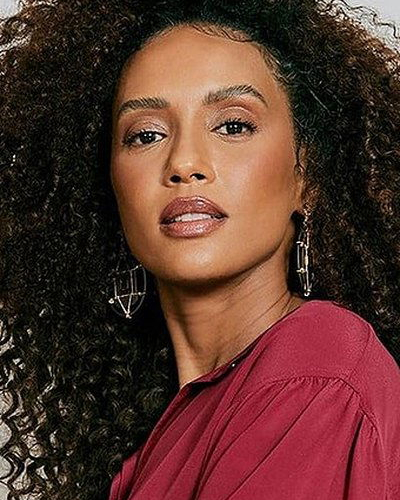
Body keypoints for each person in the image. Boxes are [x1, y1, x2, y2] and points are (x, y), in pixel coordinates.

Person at [0, 0, 399, 499]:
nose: (184, 162)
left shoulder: (315, 371)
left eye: (233, 126)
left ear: (307, 177)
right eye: (146, 135)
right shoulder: (156, 440)